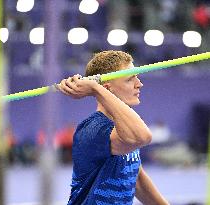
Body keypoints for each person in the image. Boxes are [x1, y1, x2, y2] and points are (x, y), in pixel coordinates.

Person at [58, 50, 169, 205]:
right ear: (107, 88)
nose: (139, 84)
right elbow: (143, 137)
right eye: (130, 79)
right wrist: (95, 88)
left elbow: (136, 179)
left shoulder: (123, 126)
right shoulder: (92, 129)